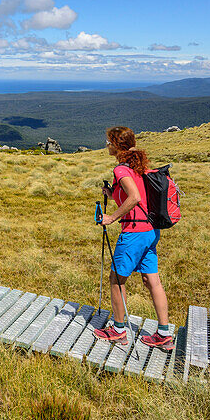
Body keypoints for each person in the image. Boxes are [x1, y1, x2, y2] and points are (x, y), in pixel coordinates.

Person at [92, 126, 173, 350]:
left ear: (116, 145)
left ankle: (118, 331)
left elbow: (135, 197)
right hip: (150, 231)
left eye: (108, 141)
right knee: (151, 280)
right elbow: (136, 194)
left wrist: (111, 218)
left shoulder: (121, 169)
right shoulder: (136, 166)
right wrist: (112, 194)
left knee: (117, 280)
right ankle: (164, 334)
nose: (106, 144)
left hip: (134, 233)